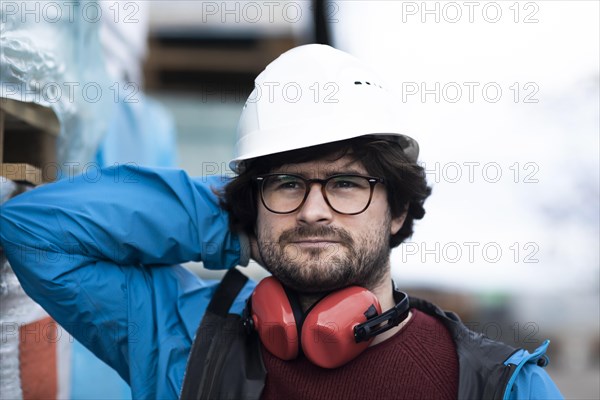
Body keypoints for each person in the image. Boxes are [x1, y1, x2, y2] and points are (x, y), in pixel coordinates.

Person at [0, 44, 562, 399]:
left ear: (396, 211)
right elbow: (35, 231)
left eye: (345, 183)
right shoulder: (183, 337)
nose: (313, 209)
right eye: (288, 184)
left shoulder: (503, 384)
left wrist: (271, 202)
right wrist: (232, 218)